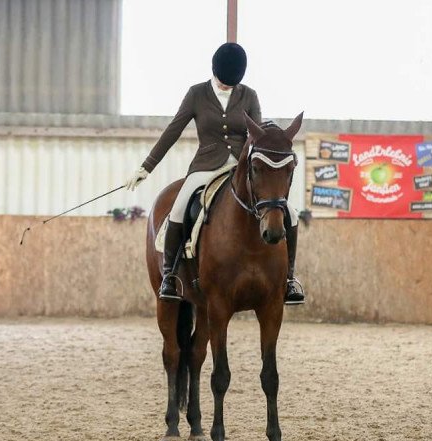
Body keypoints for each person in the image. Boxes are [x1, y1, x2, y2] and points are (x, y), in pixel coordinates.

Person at [126, 43, 304, 305]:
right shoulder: (197, 94)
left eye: (232, 84)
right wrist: (146, 167)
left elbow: (255, 136)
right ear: (215, 71)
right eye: (224, 83)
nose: (227, 87)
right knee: (178, 208)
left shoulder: (249, 96)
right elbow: (173, 130)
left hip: (240, 169)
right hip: (206, 166)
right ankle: (170, 276)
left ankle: (288, 280)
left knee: (289, 212)